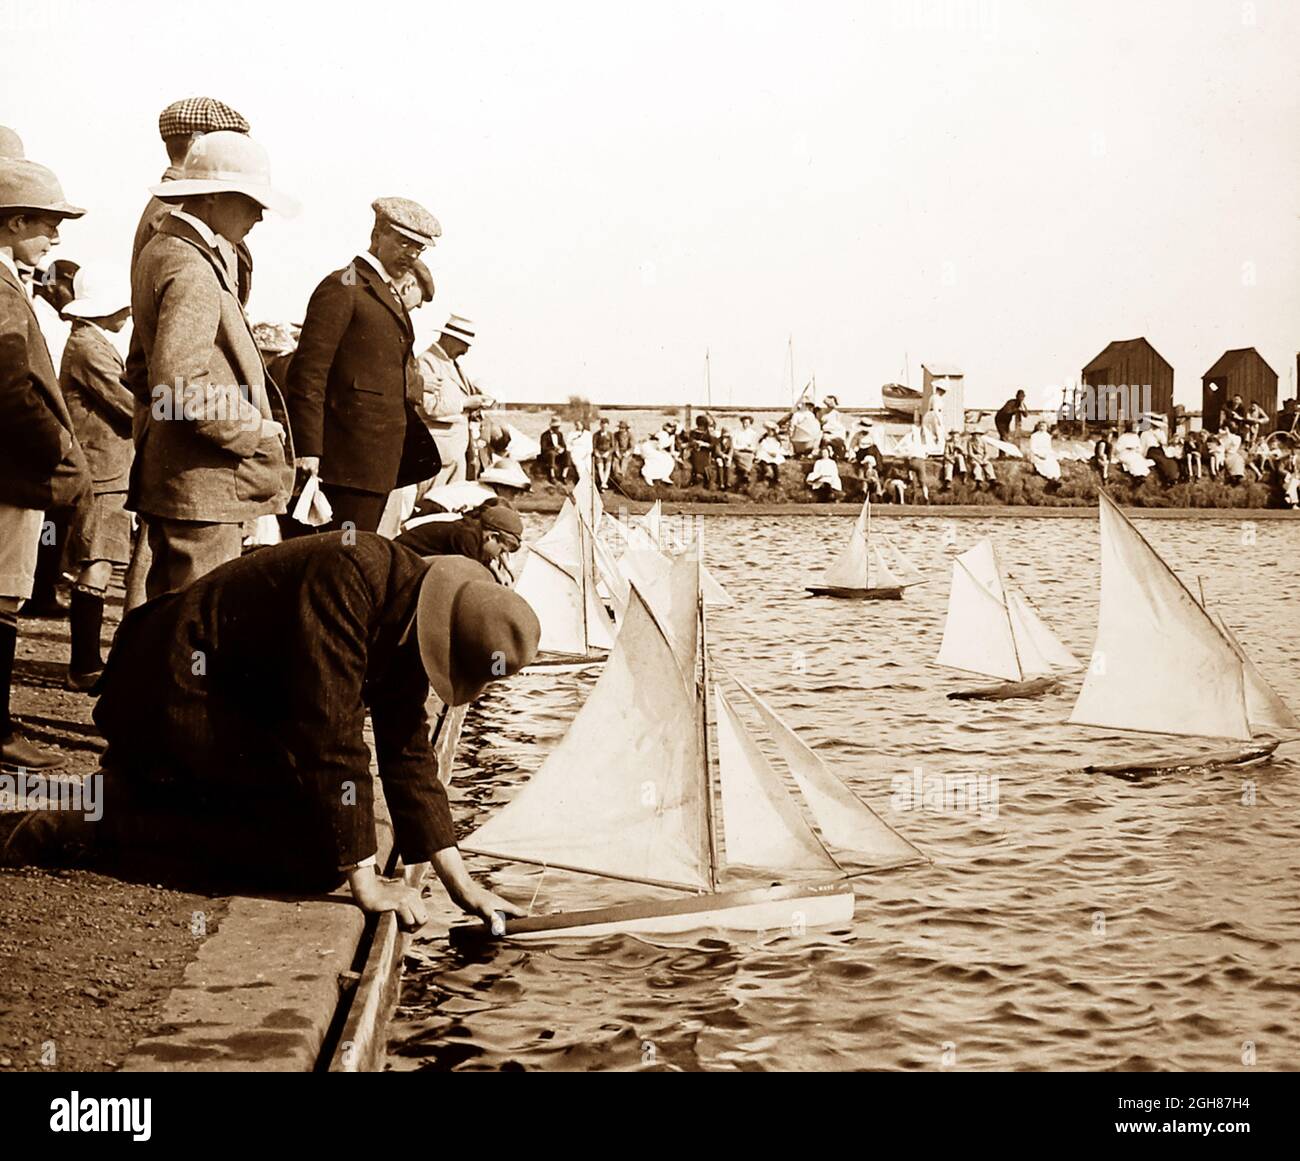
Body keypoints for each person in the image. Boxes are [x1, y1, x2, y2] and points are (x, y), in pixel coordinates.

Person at [1, 537, 540, 932]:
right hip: (174, 688)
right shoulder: (351, 578)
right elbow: (330, 735)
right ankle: (105, 822)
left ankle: (145, 794)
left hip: (235, 703)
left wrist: (460, 882)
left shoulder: (405, 604)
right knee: (313, 859)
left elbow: (406, 750)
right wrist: (365, 878)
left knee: (317, 845)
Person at [131, 132, 296, 599]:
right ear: (214, 196)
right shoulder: (192, 267)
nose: (260, 215)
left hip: (181, 477)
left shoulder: (164, 252)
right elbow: (180, 385)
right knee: (195, 623)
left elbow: (142, 371)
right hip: (204, 482)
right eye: (251, 202)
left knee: (167, 617)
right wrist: (255, 429)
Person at [0, 157, 91, 769]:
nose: (55, 236)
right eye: (47, 223)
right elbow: (8, 385)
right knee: (3, 599)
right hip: (13, 473)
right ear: (12, 223)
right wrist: (57, 448)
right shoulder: (4, 290)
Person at [288, 197, 441, 535]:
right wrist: (308, 450)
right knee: (340, 560)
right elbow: (309, 373)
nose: (411, 254)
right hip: (345, 465)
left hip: (375, 465)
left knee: (356, 557)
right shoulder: (344, 286)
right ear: (377, 234)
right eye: (403, 242)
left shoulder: (387, 294)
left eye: (418, 249)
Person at [58, 268, 136, 690]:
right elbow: (127, 405)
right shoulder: (90, 348)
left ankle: (87, 662)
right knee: (98, 562)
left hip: (107, 470)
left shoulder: (91, 343)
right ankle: (84, 665)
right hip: (102, 472)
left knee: (100, 561)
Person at [416, 313, 493, 490]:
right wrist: (465, 403)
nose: (466, 351)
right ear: (449, 338)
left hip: (455, 452)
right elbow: (428, 406)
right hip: (439, 454)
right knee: (431, 507)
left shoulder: (451, 364)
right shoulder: (426, 362)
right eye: (464, 344)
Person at [396, 499, 524, 582]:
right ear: (492, 536)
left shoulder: (476, 531)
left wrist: (497, 575)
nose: (498, 556)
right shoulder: (466, 537)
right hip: (401, 560)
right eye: (501, 550)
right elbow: (471, 576)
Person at [538, 417, 574, 484]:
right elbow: (543, 448)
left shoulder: (559, 434)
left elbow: (563, 445)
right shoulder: (545, 435)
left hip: (558, 452)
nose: (557, 429)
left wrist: (561, 448)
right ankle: (552, 476)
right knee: (552, 454)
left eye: (558, 427)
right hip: (548, 453)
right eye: (555, 427)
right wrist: (554, 448)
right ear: (551, 427)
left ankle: (564, 476)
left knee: (567, 453)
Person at [687, 415, 715, 488]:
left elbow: (712, 445)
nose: (700, 427)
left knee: (703, 459)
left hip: (705, 451)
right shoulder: (693, 432)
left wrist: (704, 444)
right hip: (695, 450)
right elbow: (690, 441)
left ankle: (704, 479)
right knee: (695, 457)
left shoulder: (708, 433)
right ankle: (697, 477)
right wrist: (695, 442)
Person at [731, 414, 757, 488]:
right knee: (739, 456)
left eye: (747, 423)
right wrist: (742, 447)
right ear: (742, 423)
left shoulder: (753, 433)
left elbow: (754, 446)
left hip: (748, 451)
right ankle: (745, 472)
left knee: (749, 457)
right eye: (744, 423)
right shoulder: (737, 432)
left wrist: (748, 448)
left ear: (750, 424)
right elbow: (734, 444)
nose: (745, 425)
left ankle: (745, 473)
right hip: (738, 450)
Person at [592, 417, 615, 490]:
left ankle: (603, 484)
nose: (604, 428)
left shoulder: (611, 434)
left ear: (608, 426)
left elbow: (613, 446)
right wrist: (596, 452)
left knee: (608, 466)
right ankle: (603, 483)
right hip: (599, 452)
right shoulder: (596, 434)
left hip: (608, 453)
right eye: (602, 426)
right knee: (600, 467)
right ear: (600, 425)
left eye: (606, 426)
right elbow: (594, 446)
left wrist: (608, 453)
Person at [714, 425, 734, 491]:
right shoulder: (718, 440)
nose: (726, 436)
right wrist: (723, 455)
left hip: (727, 456)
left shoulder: (730, 440)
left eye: (727, 434)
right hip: (719, 456)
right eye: (724, 434)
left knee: (728, 463)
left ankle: (727, 482)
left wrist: (729, 456)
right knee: (720, 463)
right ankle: (721, 482)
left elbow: (731, 449)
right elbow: (717, 450)